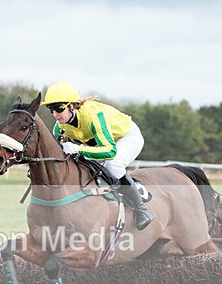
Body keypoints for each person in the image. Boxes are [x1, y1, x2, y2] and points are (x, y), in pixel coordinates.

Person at [41, 81, 153, 230]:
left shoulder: (93, 116)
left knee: (113, 164)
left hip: (127, 137)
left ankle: (142, 211)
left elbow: (110, 152)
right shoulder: (61, 125)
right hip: (104, 144)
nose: (55, 114)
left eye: (59, 109)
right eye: (51, 110)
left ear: (72, 105)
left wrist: (78, 149)